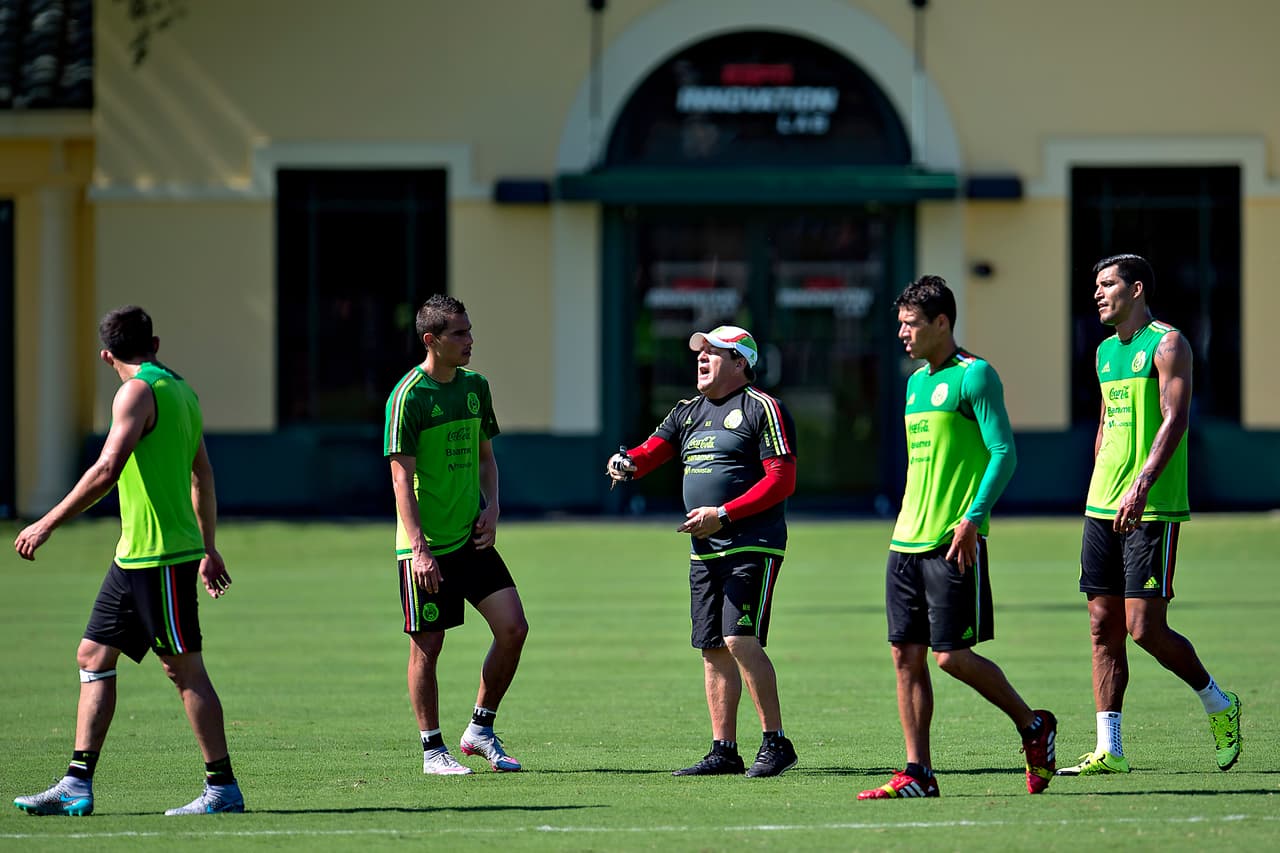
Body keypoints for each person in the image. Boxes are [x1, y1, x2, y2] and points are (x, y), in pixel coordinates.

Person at [12, 305, 243, 816]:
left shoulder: (136, 392)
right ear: (155, 344)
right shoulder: (183, 390)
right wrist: (209, 545)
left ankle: (222, 788)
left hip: (161, 556)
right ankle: (76, 783)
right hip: (134, 557)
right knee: (93, 658)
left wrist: (45, 522)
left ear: (106, 355)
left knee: (183, 671)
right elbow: (202, 473)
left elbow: (108, 468)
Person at [858, 277, 1057, 801]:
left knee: (950, 656)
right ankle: (917, 773)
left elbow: (1003, 453)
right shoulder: (915, 383)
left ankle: (1033, 727)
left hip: (952, 541)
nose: (902, 333)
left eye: (911, 324)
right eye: (900, 323)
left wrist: (972, 518)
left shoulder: (976, 377)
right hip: (905, 541)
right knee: (906, 656)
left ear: (941, 323)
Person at [1057, 254, 1241, 776]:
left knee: (1144, 628)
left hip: (1152, 506)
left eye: (1108, 284)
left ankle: (1219, 704)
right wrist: (1099, 484)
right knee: (1102, 628)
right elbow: (1104, 426)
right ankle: (1109, 749)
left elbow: (1175, 417)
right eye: (1095, 286)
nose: (1097, 293)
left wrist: (1141, 484)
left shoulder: (1167, 343)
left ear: (1136, 289)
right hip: (1101, 506)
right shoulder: (1102, 352)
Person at [606, 325, 799, 778]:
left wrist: (725, 514)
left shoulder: (762, 408)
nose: (702, 358)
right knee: (712, 647)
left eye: (714, 352)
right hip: (704, 547)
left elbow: (781, 479)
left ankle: (775, 742)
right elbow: (653, 450)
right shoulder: (687, 410)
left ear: (740, 363)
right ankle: (724, 750)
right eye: (700, 352)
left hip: (752, 542)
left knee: (738, 638)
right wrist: (627, 462)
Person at [384, 293, 528, 775]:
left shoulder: (474, 387)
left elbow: (487, 459)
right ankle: (432, 751)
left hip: (472, 539)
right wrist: (420, 551)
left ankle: (480, 729)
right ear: (432, 340)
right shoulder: (409, 396)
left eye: (469, 330)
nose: (470, 340)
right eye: (459, 333)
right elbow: (401, 479)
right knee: (428, 646)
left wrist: (494, 508)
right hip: (426, 549)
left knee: (513, 629)